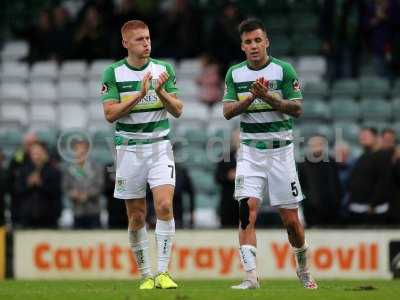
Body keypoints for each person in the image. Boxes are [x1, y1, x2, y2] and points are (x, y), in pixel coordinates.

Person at [222, 18, 317, 289]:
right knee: (246, 211)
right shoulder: (235, 74)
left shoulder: (283, 70)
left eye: (257, 40)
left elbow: (297, 109)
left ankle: (303, 268)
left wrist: (268, 97)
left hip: (281, 153)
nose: (253, 46)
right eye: (248, 42)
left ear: (267, 42)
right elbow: (227, 111)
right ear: (242, 46)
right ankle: (251, 277)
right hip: (250, 152)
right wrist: (251, 98)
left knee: (291, 222)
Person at [100, 20, 183, 289]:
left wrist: (159, 92)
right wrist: (139, 95)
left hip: (159, 146)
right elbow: (110, 114)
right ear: (126, 43)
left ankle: (162, 272)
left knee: (165, 206)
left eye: (147, 38)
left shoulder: (163, 70)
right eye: (139, 39)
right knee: (136, 216)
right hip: (129, 149)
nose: (146, 43)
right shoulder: (113, 73)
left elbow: (178, 109)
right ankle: (145, 274)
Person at [298, 136, 343, 227]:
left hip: (331, 210)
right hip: (311, 210)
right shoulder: (302, 164)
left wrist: (336, 202)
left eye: (319, 144)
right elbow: (301, 187)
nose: (317, 147)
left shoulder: (331, 162)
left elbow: (335, 185)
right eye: (314, 145)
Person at [16, 142, 62, 228]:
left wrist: (41, 184)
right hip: (27, 216)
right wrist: (28, 184)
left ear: (44, 153)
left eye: (39, 152)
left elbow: (56, 192)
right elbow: (18, 191)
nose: (36, 156)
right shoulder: (23, 170)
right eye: (34, 153)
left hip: (48, 217)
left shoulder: (53, 171)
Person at [63, 139, 104, 229]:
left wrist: (87, 195)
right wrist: (73, 194)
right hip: (77, 211)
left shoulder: (96, 167)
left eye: (83, 150)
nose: (80, 152)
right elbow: (66, 188)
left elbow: (99, 186)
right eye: (77, 149)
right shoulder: (69, 169)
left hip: (93, 211)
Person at [215, 129, 240, 228]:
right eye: (237, 139)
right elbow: (217, 177)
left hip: (246, 203)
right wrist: (228, 176)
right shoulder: (225, 157)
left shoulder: (251, 159)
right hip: (229, 204)